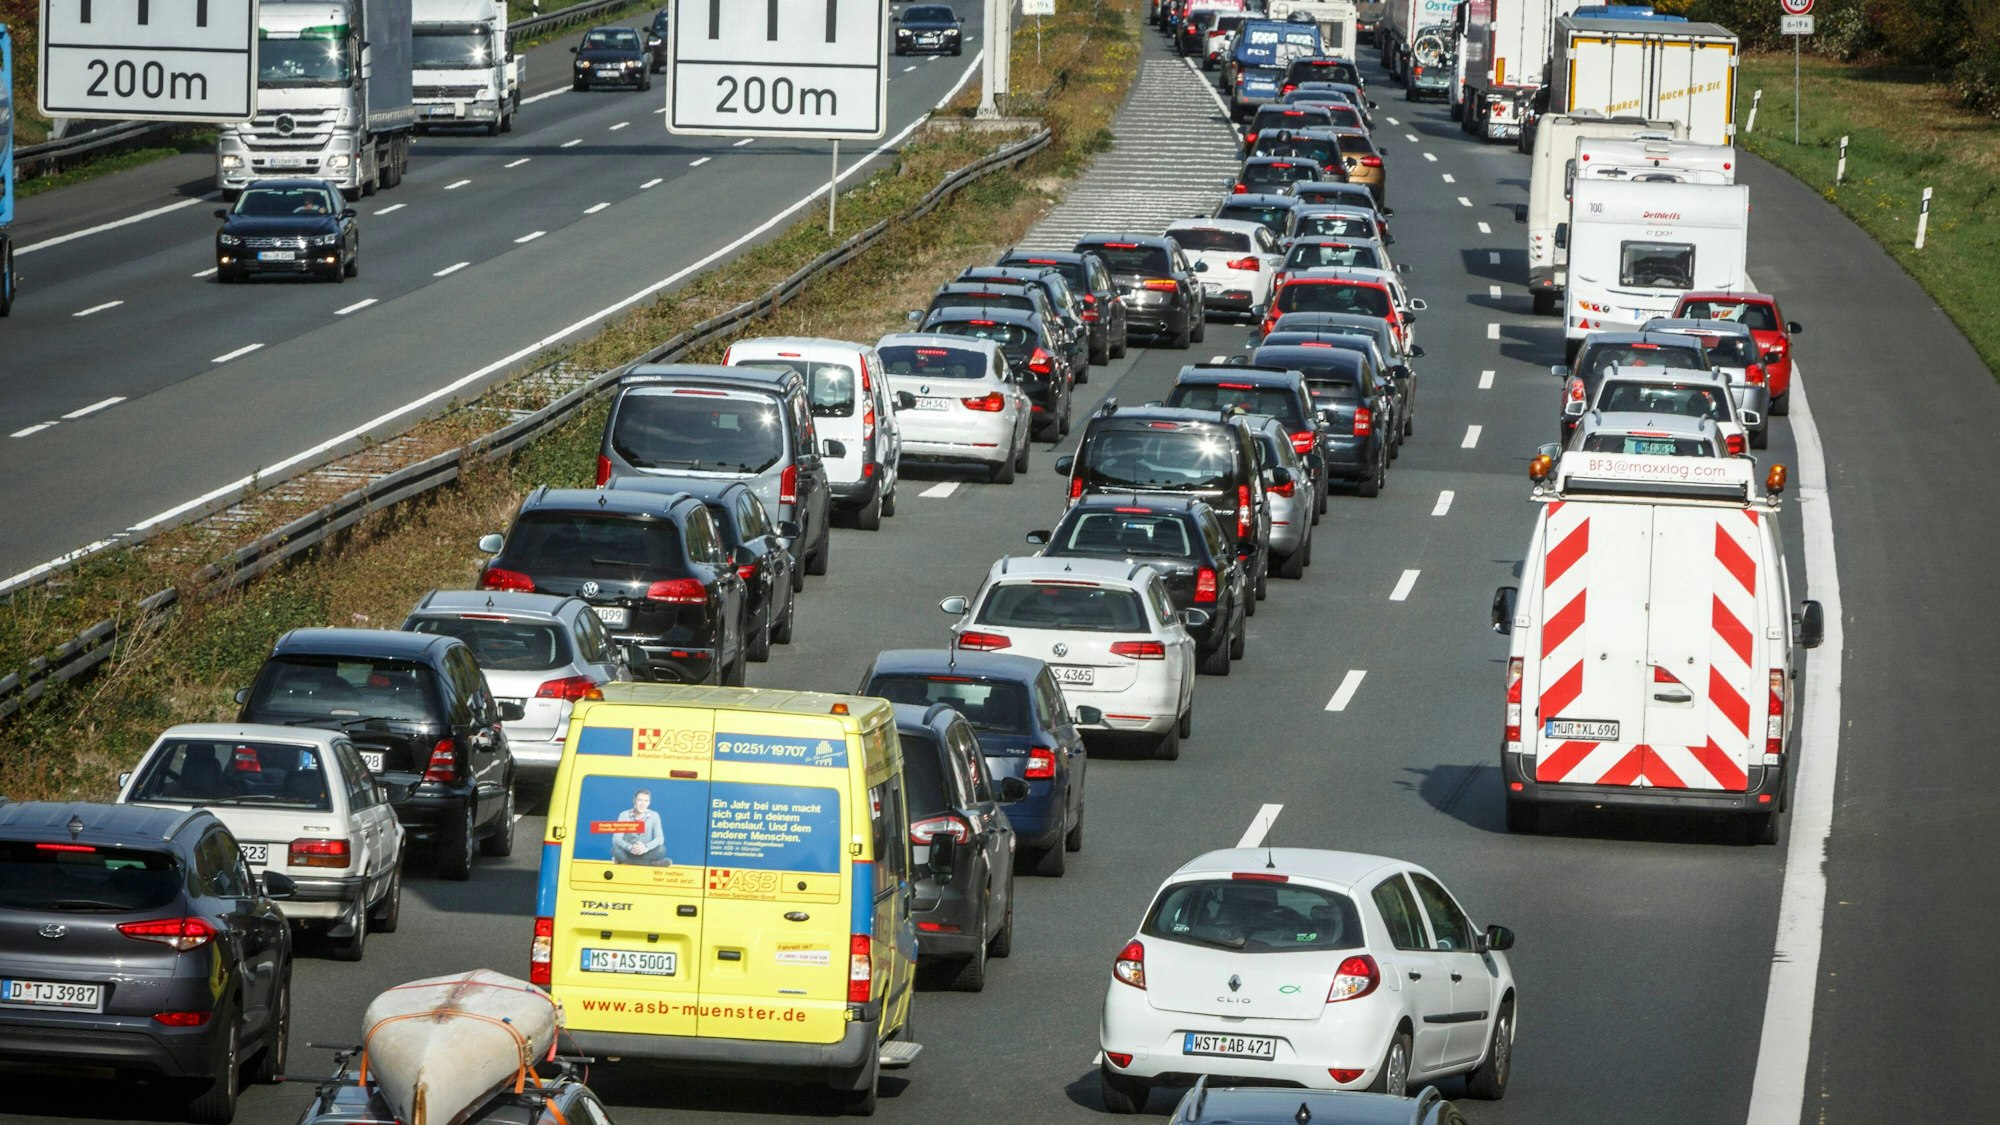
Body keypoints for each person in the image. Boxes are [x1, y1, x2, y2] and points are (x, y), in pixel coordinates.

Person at [612, 789, 670, 866]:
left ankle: (626, 861)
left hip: (645, 852)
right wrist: (630, 847)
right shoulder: (624, 815)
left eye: (646, 801)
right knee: (615, 850)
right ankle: (653, 864)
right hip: (628, 852)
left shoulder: (655, 816)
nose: (643, 804)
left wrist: (646, 847)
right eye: (640, 800)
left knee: (661, 849)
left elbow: (660, 838)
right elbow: (616, 838)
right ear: (634, 800)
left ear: (649, 803)